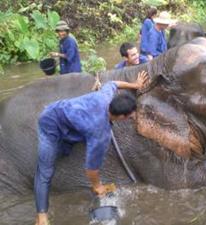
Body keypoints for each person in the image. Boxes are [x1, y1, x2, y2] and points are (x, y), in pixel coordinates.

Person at [34, 71, 149, 225]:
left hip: (66, 113)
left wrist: (135, 85)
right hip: (50, 123)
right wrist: (98, 186)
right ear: (121, 117)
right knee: (45, 171)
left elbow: (113, 83)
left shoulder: (105, 96)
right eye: (130, 116)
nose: (131, 118)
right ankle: (41, 215)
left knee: (68, 146)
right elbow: (91, 169)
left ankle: (66, 143)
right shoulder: (100, 133)